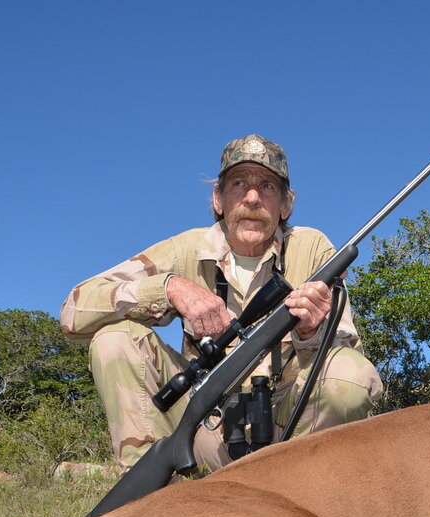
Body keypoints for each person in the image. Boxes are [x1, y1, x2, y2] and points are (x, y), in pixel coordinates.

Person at [60, 134, 383, 470]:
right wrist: (170, 289)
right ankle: (154, 503)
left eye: (268, 186)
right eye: (238, 183)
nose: (253, 197)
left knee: (349, 372)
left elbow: (347, 351)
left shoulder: (312, 248)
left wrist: (311, 331)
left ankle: (298, 503)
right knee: (115, 339)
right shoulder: (185, 248)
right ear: (218, 198)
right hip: (204, 423)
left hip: (286, 429)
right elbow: (73, 311)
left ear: (286, 204)